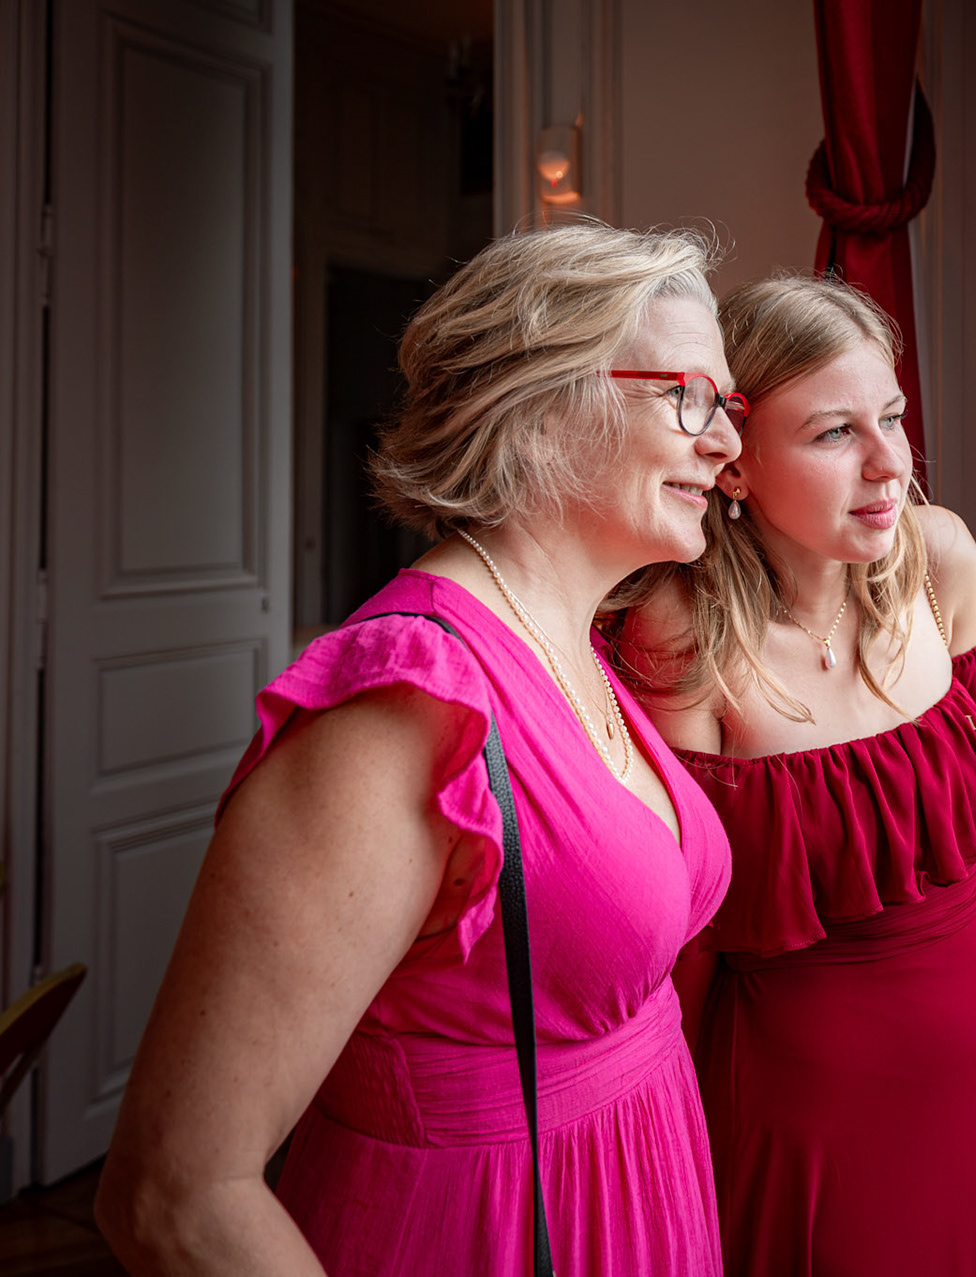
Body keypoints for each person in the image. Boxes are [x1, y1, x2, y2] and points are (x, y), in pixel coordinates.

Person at [95, 224, 744, 1276]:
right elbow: (173, 1194)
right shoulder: (403, 701)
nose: (724, 445)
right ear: (542, 404)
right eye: (689, 397)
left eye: (728, 406)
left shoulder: (576, 643)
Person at [612, 275, 976, 1277]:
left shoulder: (941, 564)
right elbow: (682, 931)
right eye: (835, 433)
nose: (890, 462)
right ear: (734, 460)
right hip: (799, 1088)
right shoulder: (682, 631)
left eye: (892, 417)